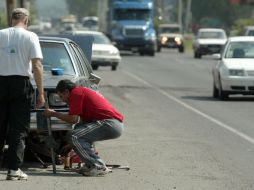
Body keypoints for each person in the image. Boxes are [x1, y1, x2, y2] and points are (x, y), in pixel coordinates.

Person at [43, 79, 124, 176]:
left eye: (61, 96)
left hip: (110, 124)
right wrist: (70, 145)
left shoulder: (76, 93)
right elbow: (80, 123)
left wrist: (53, 113)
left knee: (74, 136)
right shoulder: (80, 92)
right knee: (77, 133)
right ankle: (90, 165)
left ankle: (98, 166)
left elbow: (73, 119)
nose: (62, 100)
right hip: (110, 124)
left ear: (67, 91)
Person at [0, 8, 45, 180]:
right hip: (20, 84)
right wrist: (41, 93)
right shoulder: (30, 36)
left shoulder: (0, 34)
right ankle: (13, 170)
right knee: (18, 129)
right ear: (26, 21)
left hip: (0, 82)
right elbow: (37, 66)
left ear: (10, 19)